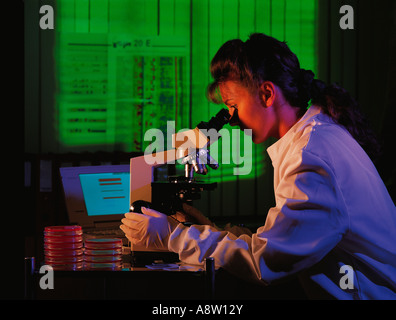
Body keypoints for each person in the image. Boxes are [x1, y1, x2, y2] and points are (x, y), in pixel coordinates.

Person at [120, 33, 396, 300]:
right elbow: (281, 238)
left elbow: (265, 262)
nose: (232, 120)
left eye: (233, 105)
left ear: (266, 94)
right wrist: (214, 233)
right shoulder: (317, 136)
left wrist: (174, 237)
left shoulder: (310, 157)